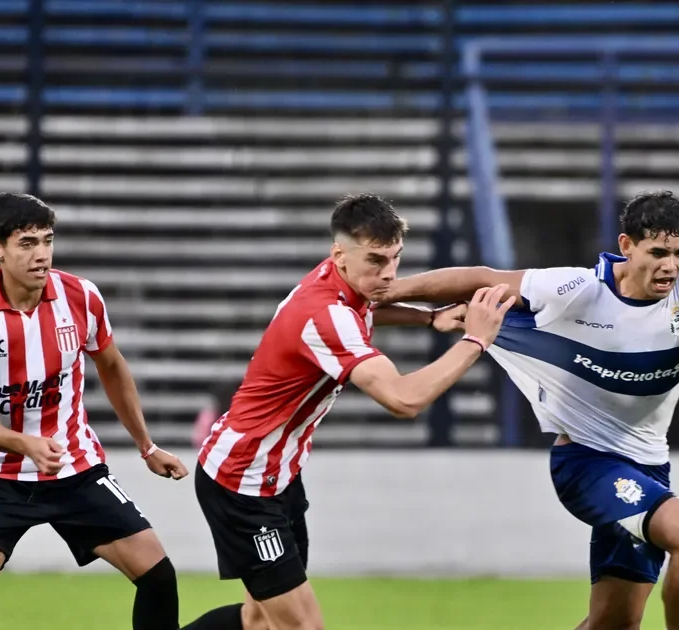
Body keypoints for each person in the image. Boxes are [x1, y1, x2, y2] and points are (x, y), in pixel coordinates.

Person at [380, 190, 679, 630]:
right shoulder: (576, 290)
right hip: (587, 464)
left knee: (614, 623)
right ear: (626, 246)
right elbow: (483, 277)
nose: (671, 266)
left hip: (650, 468)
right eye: (658, 252)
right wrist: (387, 292)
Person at [182, 193, 507, 630]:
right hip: (242, 483)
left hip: (276, 478)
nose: (389, 274)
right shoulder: (323, 314)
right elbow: (403, 399)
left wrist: (428, 319)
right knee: (303, 627)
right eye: (376, 261)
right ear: (340, 254)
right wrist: (476, 341)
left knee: (259, 621)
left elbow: (367, 310)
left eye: (395, 258)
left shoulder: (338, 285)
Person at [0, 192, 190, 630]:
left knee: (159, 577)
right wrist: (24, 443)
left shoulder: (81, 296)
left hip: (75, 469)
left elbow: (112, 367)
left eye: (47, 241)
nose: (42, 255)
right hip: (0, 475)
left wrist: (147, 446)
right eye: (27, 243)